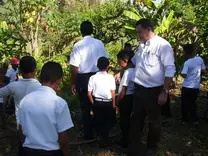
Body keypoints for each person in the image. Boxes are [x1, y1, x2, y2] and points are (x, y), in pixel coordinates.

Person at [128, 18, 176, 156]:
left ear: (148, 29)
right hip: (139, 88)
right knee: (136, 118)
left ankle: (151, 148)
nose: (138, 35)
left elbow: (169, 69)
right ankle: (134, 147)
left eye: (140, 32)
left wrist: (164, 91)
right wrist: (122, 73)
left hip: (153, 90)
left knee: (154, 121)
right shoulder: (142, 45)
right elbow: (134, 62)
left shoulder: (163, 45)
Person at [18, 61, 74, 156]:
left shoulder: (25, 100)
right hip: (51, 152)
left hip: (27, 151)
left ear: (40, 78)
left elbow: (20, 129)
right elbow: (63, 137)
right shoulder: (59, 103)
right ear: (59, 80)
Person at [69, 21, 108, 139]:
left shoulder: (78, 45)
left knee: (85, 107)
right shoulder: (99, 43)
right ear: (92, 30)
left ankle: (88, 133)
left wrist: (73, 83)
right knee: (97, 104)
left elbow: (74, 67)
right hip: (98, 76)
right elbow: (105, 61)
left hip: (84, 79)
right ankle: (100, 130)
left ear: (81, 31)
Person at [0, 56, 41, 127]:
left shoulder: (13, 86)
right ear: (35, 70)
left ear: (20, 70)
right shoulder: (41, 87)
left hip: (21, 128)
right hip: (37, 127)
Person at [88, 57, 116, 147]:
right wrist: (114, 104)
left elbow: (89, 93)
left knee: (99, 121)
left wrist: (93, 103)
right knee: (111, 121)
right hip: (108, 102)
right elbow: (113, 92)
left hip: (97, 102)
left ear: (97, 66)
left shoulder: (93, 77)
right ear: (108, 66)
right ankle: (103, 138)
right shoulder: (110, 77)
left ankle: (101, 137)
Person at [181, 44, 206, 124]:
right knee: (193, 102)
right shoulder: (199, 59)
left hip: (187, 86)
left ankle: (185, 119)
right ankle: (194, 119)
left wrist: (181, 71)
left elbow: (184, 75)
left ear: (185, 52)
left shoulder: (187, 63)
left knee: (185, 102)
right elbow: (203, 70)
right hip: (196, 86)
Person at [116, 50, 135, 148]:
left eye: (119, 62)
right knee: (129, 119)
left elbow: (123, 90)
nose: (119, 64)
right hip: (132, 97)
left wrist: (118, 100)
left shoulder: (128, 72)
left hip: (126, 98)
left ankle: (125, 140)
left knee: (124, 120)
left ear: (125, 61)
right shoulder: (135, 70)